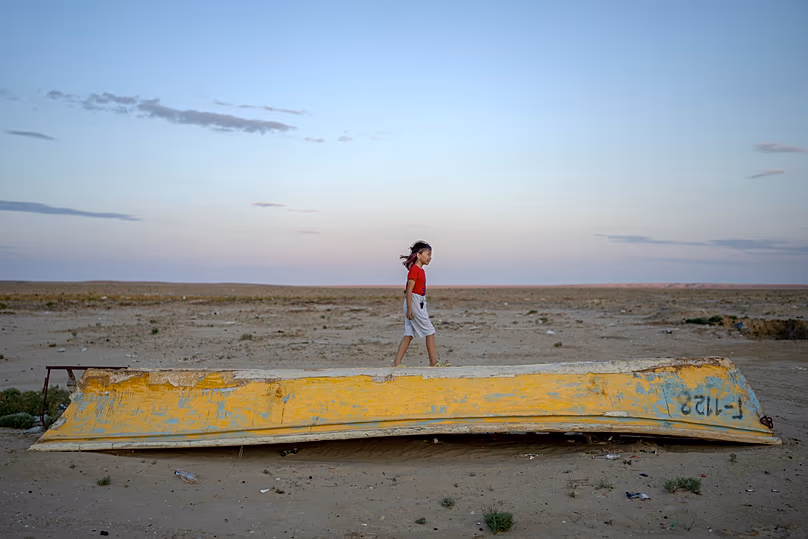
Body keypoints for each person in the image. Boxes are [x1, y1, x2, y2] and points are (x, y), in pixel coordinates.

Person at [392, 240, 437, 367]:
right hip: (415, 302)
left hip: (418, 301)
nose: (430, 257)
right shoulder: (414, 270)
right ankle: (433, 363)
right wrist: (410, 308)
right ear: (419, 255)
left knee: (409, 334)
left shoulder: (420, 271)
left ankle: (396, 363)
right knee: (430, 331)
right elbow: (409, 290)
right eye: (427, 254)